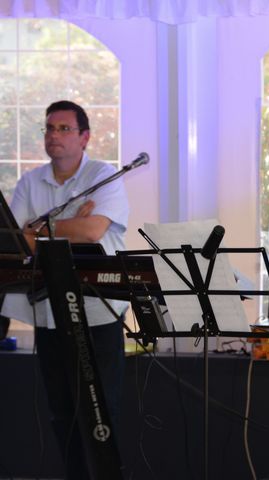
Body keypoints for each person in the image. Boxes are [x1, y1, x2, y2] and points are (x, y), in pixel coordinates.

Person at [1, 100, 129, 479]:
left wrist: (38, 230)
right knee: (62, 413)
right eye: (49, 129)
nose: (53, 136)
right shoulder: (30, 181)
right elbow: (16, 242)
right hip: (48, 313)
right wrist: (68, 224)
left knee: (101, 412)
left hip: (96, 314)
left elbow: (92, 232)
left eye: (63, 129)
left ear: (85, 137)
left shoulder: (103, 175)